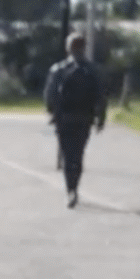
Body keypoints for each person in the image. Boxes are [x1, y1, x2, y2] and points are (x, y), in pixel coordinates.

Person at [41, 33, 107, 208]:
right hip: (84, 118)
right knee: (78, 155)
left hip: (64, 119)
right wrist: (101, 118)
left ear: (68, 48)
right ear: (84, 48)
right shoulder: (92, 70)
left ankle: (70, 188)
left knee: (67, 154)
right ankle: (74, 187)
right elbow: (101, 96)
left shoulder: (59, 69)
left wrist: (52, 113)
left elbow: (50, 94)